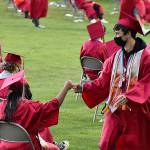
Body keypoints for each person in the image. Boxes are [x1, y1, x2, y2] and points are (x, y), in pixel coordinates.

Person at [73, 11, 150, 150]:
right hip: (115, 110)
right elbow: (103, 82)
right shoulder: (114, 57)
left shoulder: (146, 57)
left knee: (136, 145)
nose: (115, 37)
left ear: (129, 34)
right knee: (105, 143)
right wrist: (84, 88)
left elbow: (147, 83)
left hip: (136, 112)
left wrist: (129, 97)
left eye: (118, 34)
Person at [0, 53, 69, 150]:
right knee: (42, 128)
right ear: (23, 91)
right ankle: (53, 145)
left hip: (4, 146)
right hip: (27, 146)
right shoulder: (29, 107)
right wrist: (66, 88)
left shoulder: (1, 107)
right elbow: (52, 106)